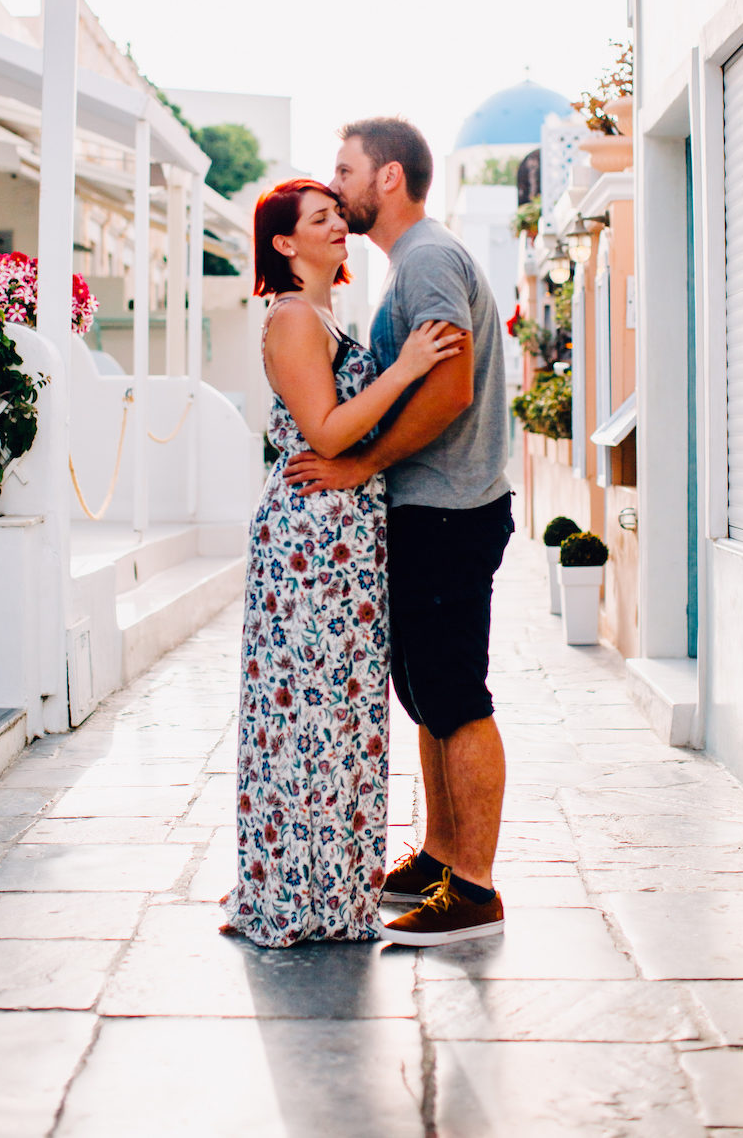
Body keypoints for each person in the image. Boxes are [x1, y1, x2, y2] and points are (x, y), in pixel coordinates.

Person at [284, 118, 514, 946]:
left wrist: (360, 465)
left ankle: (475, 889)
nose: (334, 181)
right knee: (427, 697)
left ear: (386, 177)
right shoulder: (408, 266)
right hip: (428, 509)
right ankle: (442, 856)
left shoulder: (426, 259)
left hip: (451, 507)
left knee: (455, 697)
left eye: (344, 168)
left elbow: (449, 389)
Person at [221, 177, 463, 948]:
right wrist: (408, 366)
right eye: (319, 220)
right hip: (309, 548)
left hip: (343, 544)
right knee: (305, 717)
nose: (338, 227)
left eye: (336, 216)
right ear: (284, 244)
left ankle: (332, 891)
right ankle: (299, 896)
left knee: (339, 715)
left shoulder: (325, 314)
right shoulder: (293, 317)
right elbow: (326, 434)